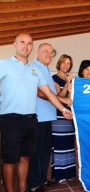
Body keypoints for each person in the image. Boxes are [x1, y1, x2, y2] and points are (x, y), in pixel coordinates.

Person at [0, 33, 72, 192]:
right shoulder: (3, 64)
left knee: (26, 158)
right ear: (14, 44)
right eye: (22, 42)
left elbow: (49, 93)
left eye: (29, 43)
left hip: (31, 119)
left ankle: (25, 188)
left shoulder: (34, 70)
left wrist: (63, 109)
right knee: (10, 160)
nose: (26, 46)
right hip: (10, 119)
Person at [27, 43, 71, 192]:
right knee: (36, 153)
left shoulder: (45, 69)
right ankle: (33, 184)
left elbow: (51, 94)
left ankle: (41, 180)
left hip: (48, 118)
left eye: (51, 52)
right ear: (37, 52)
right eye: (46, 51)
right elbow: (40, 93)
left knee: (45, 151)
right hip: (37, 118)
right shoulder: (33, 67)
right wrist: (63, 102)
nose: (49, 54)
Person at [51, 54, 76, 183]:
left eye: (68, 63)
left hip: (70, 117)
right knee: (60, 146)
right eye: (64, 63)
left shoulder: (72, 79)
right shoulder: (54, 78)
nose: (66, 65)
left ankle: (70, 173)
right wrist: (67, 83)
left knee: (69, 145)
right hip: (59, 116)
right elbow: (58, 96)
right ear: (59, 63)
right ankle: (60, 175)